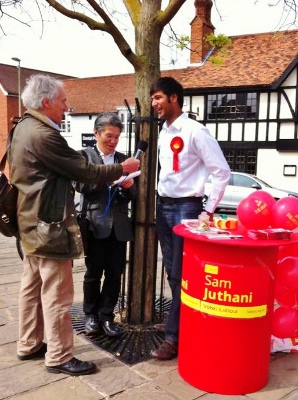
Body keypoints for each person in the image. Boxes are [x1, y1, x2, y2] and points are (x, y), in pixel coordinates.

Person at [8, 74, 140, 376]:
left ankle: (29, 343)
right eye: (63, 101)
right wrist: (124, 168)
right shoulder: (44, 134)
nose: (67, 107)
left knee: (31, 288)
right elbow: (84, 170)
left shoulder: (22, 127)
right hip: (49, 227)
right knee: (57, 295)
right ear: (46, 102)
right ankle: (58, 355)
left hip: (29, 223)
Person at [149, 77, 231, 360]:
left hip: (187, 209)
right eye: (152, 98)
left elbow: (222, 172)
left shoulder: (196, 132)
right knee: (173, 273)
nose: (154, 103)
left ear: (173, 98)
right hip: (164, 207)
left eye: (158, 97)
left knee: (184, 274)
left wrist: (208, 211)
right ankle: (178, 321)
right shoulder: (163, 131)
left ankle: (173, 337)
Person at [74, 112, 137, 337]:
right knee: (93, 274)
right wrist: (108, 177)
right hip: (94, 225)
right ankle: (90, 315)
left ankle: (107, 316)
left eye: (117, 137)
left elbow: (134, 195)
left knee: (114, 274)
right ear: (96, 133)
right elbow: (80, 185)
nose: (113, 141)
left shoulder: (123, 159)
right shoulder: (84, 157)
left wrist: (129, 187)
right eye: (109, 136)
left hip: (118, 228)